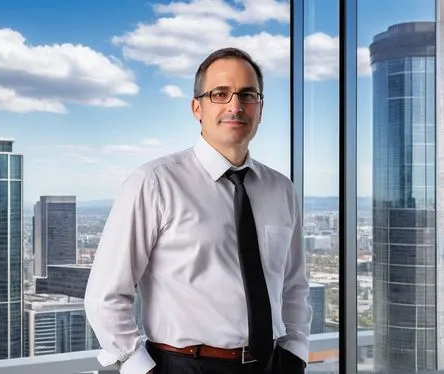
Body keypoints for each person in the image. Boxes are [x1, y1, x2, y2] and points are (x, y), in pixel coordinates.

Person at [84, 47, 312, 374]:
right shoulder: (154, 183)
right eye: (220, 93)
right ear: (197, 108)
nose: (235, 105)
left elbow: (293, 285)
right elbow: (105, 295)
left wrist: (294, 354)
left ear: (260, 109)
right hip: (183, 365)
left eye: (247, 95)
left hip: (272, 365)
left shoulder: (281, 189)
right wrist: (143, 369)